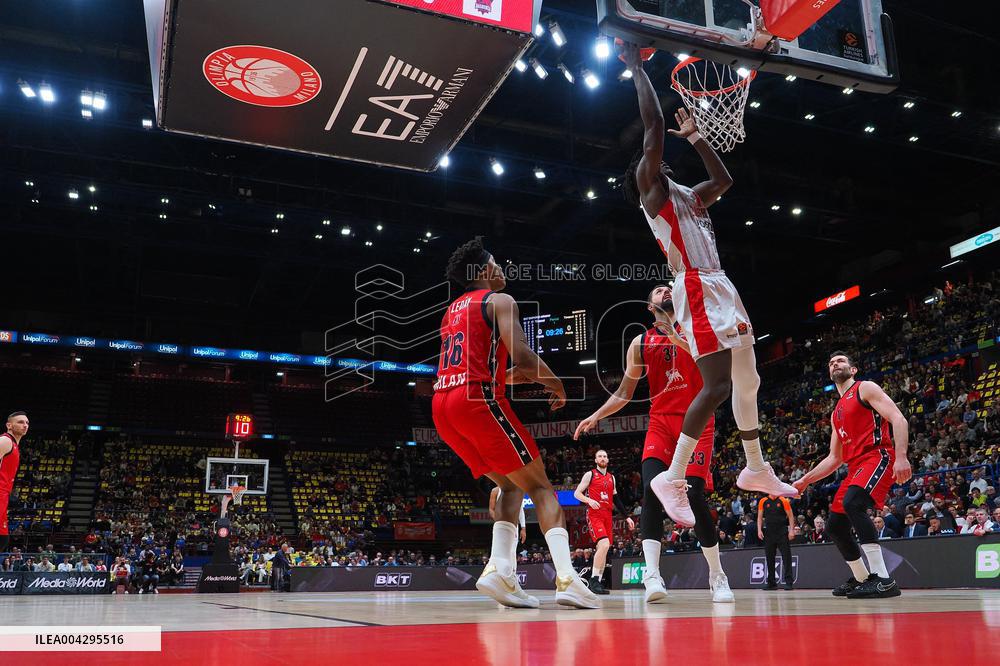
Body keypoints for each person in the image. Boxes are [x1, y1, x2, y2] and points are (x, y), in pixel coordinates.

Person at [620, 41, 795, 527]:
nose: (655, 159)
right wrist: (637, 69)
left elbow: (724, 181)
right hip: (693, 285)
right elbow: (653, 127)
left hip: (721, 284)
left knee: (749, 378)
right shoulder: (653, 193)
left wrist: (697, 136)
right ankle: (673, 477)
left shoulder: (691, 195)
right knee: (717, 385)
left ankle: (756, 467)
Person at [431, 237, 598, 609]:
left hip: (443, 407)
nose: (503, 268)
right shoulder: (500, 300)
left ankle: (500, 572)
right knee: (542, 488)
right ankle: (569, 579)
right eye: (497, 262)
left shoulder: (451, 312)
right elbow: (523, 355)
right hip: (477, 402)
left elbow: (472, 364)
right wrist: (556, 384)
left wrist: (504, 377)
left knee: (509, 487)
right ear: (484, 271)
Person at [573, 287, 733, 603]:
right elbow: (624, 392)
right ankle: (653, 576)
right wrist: (595, 416)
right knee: (650, 493)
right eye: (659, 291)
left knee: (695, 496)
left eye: (669, 288)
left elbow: (713, 368)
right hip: (661, 423)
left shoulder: (697, 331)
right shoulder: (640, 342)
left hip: (697, 421)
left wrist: (675, 330)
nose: (666, 290)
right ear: (650, 307)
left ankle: (717, 576)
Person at [793, 351, 911, 599]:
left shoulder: (864, 388)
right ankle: (861, 578)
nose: (835, 363)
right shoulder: (836, 413)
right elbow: (834, 458)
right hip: (855, 465)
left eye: (841, 361)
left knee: (853, 503)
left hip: (878, 455)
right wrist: (805, 480)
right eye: (831, 362)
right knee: (835, 526)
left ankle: (882, 579)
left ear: (853, 369)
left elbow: (898, 419)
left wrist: (901, 456)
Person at [572, 450, 635, 595]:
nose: (602, 458)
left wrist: (627, 517)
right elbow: (577, 493)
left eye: (605, 456)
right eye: (600, 456)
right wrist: (589, 500)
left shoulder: (611, 478)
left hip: (607, 515)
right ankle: (593, 579)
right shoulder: (590, 474)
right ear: (595, 460)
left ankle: (597, 583)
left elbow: (617, 500)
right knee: (605, 544)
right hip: (594, 514)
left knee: (605, 547)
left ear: (607, 460)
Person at [0, 412, 28, 553]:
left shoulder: (14, 445)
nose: (25, 425)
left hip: (4, 494)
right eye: (20, 422)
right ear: (9, 425)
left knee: (2, 539)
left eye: (27, 423)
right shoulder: (5, 441)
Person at [757, 494, 795, 590]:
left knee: (786, 557)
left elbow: (790, 516)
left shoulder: (783, 500)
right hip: (769, 533)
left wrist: (791, 530)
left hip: (782, 532)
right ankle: (771, 583)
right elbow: (759, 517)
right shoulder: (763, 501)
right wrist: (759, 530)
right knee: (770, 558)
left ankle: (789, 582)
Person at [489, 485, 527, 566]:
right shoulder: (495, 490)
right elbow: (491, 509)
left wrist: (523, 528)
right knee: (498, 551)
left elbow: (520, 510)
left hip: (513, 525)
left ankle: (512, 573)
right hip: (500, 525)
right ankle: (498, 573)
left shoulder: (516, 490)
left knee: (512, 551)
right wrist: (499, 521)